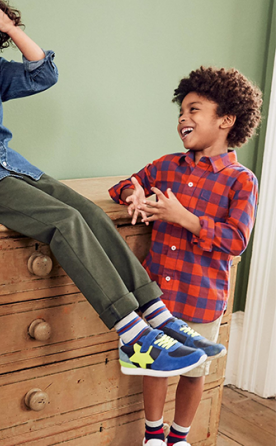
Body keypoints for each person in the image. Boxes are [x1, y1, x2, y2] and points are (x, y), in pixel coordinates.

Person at [0, 0, 225, 378]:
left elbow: (43, 75)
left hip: (13, 168)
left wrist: (10, 27)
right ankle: (132, 337)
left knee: (90, 213)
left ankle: (158, 314)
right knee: (65, 221)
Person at [109, 66, 261, 446]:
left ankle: (179, 437)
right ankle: (153, 436)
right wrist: (134, 195)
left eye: (194, 109)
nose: (183, 118)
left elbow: (237, 239)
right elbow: (124, 184)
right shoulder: (166, 167)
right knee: (157, 366)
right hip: (158, 293)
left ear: (226, 120)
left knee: (194, 370)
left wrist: (187, 220)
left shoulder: (241, 180)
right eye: (181, 111)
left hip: (202, 296)